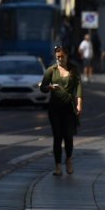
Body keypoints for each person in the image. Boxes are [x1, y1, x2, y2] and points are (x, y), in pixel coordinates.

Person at [39, 45, 83, 176]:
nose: (59, 59)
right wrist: (50, 87)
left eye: (62, 56)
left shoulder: (74, 69)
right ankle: (57, 166)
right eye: (57, 57)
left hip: (69, 107)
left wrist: (79, 104)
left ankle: (69, 159)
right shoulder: (51, 70)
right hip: (54, 108)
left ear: (67, 56)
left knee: (68, 136)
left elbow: (78, 86)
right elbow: (42, 87)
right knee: (57, 136)